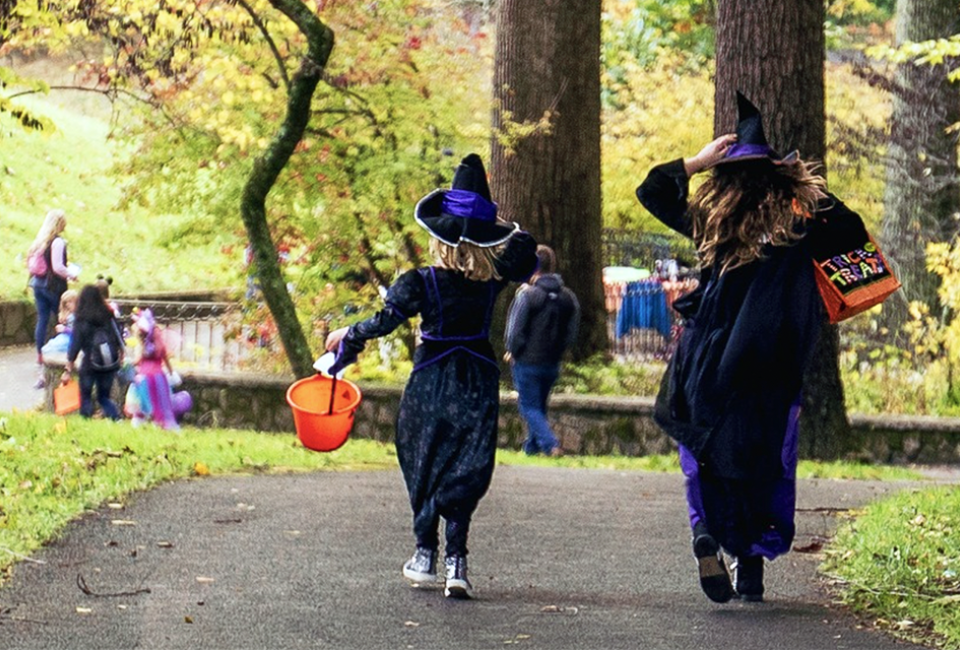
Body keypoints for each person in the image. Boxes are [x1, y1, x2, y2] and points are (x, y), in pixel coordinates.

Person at [635, 92, 835, 604]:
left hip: (705, 360)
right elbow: (844, 236)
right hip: (767, 366)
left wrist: (698, 161)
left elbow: (653, 190)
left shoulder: (711, 226)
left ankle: (705, 530)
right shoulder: (795, 229)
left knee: (700, 448)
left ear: (725, 179)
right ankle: (751, 568)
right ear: (777, 179)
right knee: (764, 459)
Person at [324, 154, 537, 600]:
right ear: (485, 236)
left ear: (436, 236)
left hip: (431, 379)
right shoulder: (494, 278)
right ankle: (456, 562)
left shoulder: (419, 282)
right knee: (466, 462)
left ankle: (425, 553)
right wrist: (493, 224)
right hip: (477, 380)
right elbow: (527, 250)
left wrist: (348, 335)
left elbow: (384, 322)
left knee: (422, 457)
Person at [504, 245, 580, 456]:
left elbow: (515, 329)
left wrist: (512, 350)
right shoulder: (568, 297)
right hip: (552, 361)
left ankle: (551, 444)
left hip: (527, 360)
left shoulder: (527, 296)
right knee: (539, 406)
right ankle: (532, 447)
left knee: (528, 407)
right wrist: (561, 350)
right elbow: (571, 332)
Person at [26, 209, 77, 386]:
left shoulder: (39, 241)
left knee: (42, 320)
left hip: (37, 284)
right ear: (60, 223)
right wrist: (71, 273)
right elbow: (57, 267)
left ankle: (40, 355)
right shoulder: (57, 242)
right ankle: (62, 355)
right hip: (53, 286)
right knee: (63, 319)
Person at [62, 285, 124, 421]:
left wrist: (68, 368)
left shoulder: (81, 318)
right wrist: (121, 354)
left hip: (90, 363)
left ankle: (86, 421)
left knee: (85, 394)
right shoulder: (108, 315)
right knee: (103, 397)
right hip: (109, 362)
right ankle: (116, 418)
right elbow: (117, 335)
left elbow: (75, 345)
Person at [127, 309, 187, 430]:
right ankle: (160, 425)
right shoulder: (159, 346)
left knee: (140, 406)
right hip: (159, 378)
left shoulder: (142, 346)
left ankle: (137, 425)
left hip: (143, 379)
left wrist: (128, 363)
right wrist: (171, 373)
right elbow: (167, 362)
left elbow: (137, 360)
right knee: (160, 406)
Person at [40, 289, 79, 357]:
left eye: (70, 302)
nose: (67, 305)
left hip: (73, 339)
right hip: (65, 337)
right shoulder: (68, 315)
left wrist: (65, 329)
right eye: (66, 303)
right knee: (48, 347)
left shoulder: (78, 316)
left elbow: (78, 332)